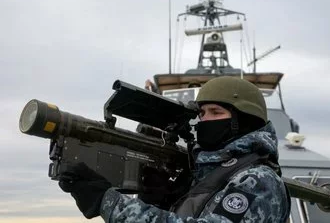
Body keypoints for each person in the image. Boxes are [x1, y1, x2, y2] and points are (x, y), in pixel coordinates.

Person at [59, 76, 291, 222]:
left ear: (245, 121)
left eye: (216, 112)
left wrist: (108, 202)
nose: (205, 120)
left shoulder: (258, 179)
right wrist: (159, 201)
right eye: (201, 113)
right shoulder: (207, 175)